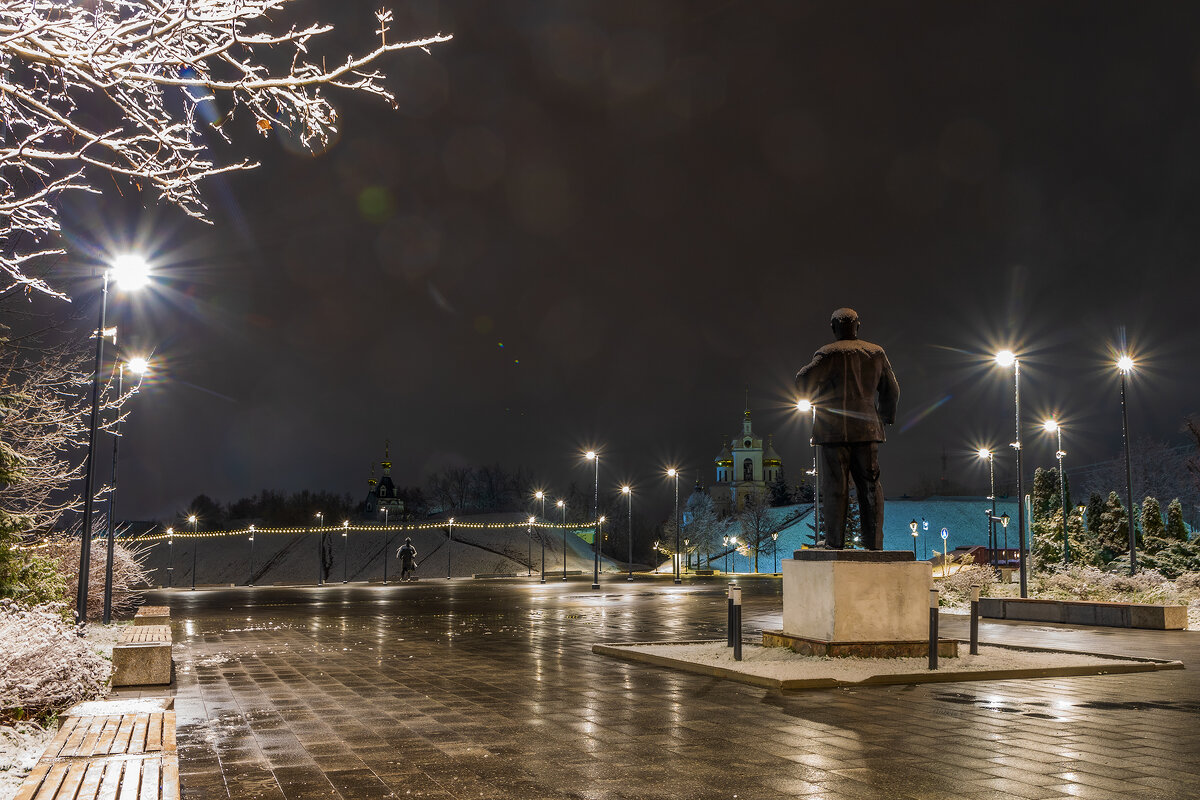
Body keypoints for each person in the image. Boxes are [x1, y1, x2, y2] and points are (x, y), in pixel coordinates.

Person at [795, 307, 899, 550]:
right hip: (868, 431)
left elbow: (802, 381)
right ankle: (874, 544)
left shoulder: (827, 354)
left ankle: (834, 542)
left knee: (835, 486)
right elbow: (892, 390)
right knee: (871, 486)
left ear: (834, 328)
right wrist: (884, 417)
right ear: (857, 327)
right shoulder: (876, 353)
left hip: (832, 432)